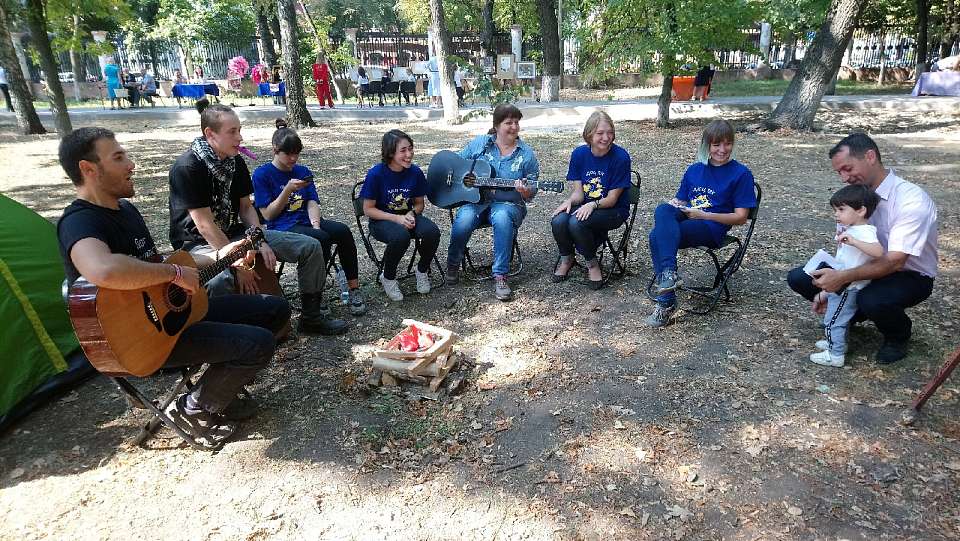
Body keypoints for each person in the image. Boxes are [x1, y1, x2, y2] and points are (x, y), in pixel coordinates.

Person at [57, 127, 290, 446]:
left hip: (172, 319)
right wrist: (173, 272)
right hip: (140, 341)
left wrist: (226, 255)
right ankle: (193, 409)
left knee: (274, 310)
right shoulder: (79, 221)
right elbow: (103, 269)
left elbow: (153, 266)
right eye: (119, 157)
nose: (131, 165)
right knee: (258, 343)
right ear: (88, 169)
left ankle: (218, 389)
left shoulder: (126, 210)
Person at [168, 99, 348, 335]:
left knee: (311, 246)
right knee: (221, 280)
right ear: (209, 134)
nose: (240, 138)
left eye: (239, 130)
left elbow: (245, 209)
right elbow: (204, 226)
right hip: (199, 244)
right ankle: (227, 337)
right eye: (232, 132)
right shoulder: (187, 167)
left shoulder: (236, 162)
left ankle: (311, 317)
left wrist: (258, 240)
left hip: (237, 235)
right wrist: (237, 261)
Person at [787, 133, 938, 364]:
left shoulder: (911, 200)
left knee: (872, 298)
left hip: (907, 274)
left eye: (847, 168)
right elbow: (847, 248)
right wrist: (831, 285)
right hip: (862, 267)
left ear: (870, 156)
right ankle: (848, 314)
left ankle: (898, 335)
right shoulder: (851, 198)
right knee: (802, 277)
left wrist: (841, 279)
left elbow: (895, 261)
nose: (844, 178)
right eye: (839, 172)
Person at [646, 119, 757, 327]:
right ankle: (669, 275)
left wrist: (704, 215)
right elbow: (680, 200)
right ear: (707, 145)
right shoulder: (695, 170)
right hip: (691, 216)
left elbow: (741, 217)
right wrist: (676, 205)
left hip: (712, 227)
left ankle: (666, 302)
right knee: (663, 209)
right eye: (716, 145)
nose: (722, 150)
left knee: (656, 236)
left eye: (727, 143)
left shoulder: (741, 174)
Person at [253, 119, 366, 316]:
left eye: (296, 153)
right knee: (319, 239)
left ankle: (353, 288)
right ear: (275, 150)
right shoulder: (262, 174)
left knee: (343, 232)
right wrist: (287, 190)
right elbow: (268, 214)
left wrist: (315, 225)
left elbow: (312, 201)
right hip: (282, 227)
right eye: (288, 154)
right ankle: (316, 296)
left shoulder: (303, 171)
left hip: (306, 221)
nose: (293, 158)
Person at [446, 104, 540, 301]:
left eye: (516, 122)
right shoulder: (480, 144)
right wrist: (463, 181)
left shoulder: (526, 154)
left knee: (502, 217)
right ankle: (453, 263)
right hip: (476, 200)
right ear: (496, 126)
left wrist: (525, 190)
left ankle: (500, 275)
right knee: (464, 217)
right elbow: (455, 164)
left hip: (509, 204)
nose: (514, 127)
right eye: (508, 122)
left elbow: (532, 191)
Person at [551, 111, 632, 289]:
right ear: (589, 134)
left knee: (576, 222)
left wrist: (592, 204)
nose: (606, 137)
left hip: (613, 210)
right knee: (558, 220)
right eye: (600, 133)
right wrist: (570, 201)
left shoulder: (621, 157)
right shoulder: (579, 154)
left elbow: (611, 199)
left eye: (609, 132)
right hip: (586, 205)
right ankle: (567, 258)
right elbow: (579, 194)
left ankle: (592, 263)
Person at [359, 129, 440, 302]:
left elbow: (419, 204)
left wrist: (411, 213)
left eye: (410, 148)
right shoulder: (376, 174)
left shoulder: (415, 172)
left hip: (407, 217)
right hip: (381, 221)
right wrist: (397, 218)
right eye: (403, 150)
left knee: (432, 232)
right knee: (400, 236)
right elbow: (368, 209)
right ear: (390, 153)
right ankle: (387, 277)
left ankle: (422, 270)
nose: (409, 154)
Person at [808, 185, 883, 367]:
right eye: (835, 210)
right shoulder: (850, 229)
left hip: (850, 286)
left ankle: (835, 354)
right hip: (841, 281)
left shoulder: (865, 231)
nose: (837, 214)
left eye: (841, 209)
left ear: (861, 210)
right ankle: (836, 342)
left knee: (834, 319)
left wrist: (854, 241)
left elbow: (878, 252)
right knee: (838, 317)